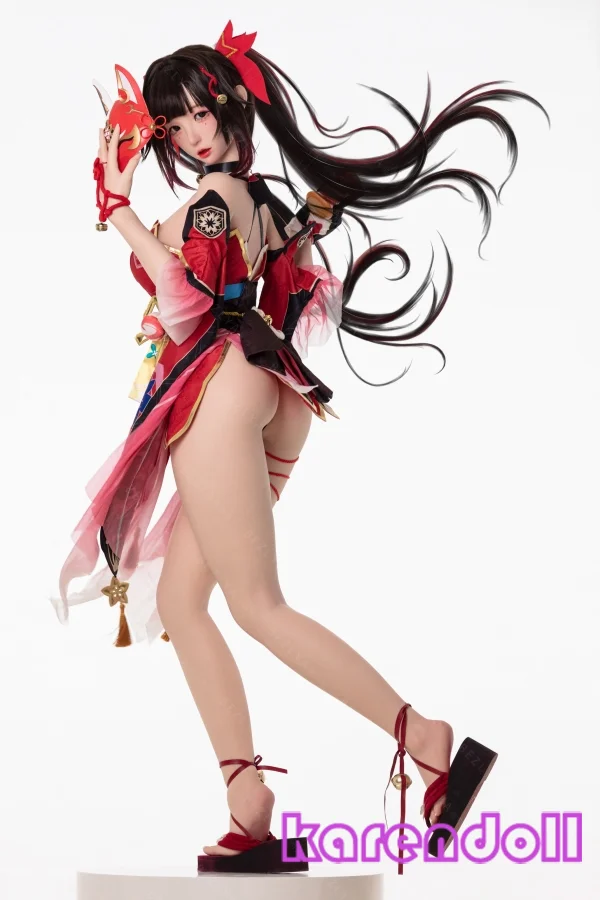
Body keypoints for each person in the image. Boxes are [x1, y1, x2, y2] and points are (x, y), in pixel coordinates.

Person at [51, 20, 549, 875]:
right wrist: (135, 208)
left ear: (229, 103)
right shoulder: (257, 196)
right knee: (183, 603)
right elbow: (284, 277)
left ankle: (423, 737)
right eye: (174, 123)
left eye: (199, 112)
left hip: (221, 389)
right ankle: (248, 804)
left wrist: (116, 208)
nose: (191, 133)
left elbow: (183, 296)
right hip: (269, 391)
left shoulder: (215, 199)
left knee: (257, 606)